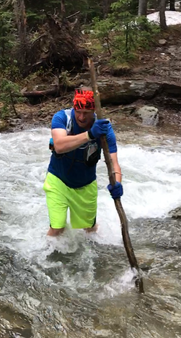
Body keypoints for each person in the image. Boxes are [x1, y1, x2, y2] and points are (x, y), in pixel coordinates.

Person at [43, 87, 123, 236]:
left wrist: (117, 182)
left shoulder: (105, 130)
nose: (81, 117)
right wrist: (90, 134)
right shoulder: (62, 118)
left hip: (85, 185)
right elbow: (59, 146)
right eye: (78, 111)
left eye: (86, 113)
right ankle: (46, 254)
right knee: (57, 227)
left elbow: (114, 163)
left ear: (94, 110)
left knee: (90, 230)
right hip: (57, 180)